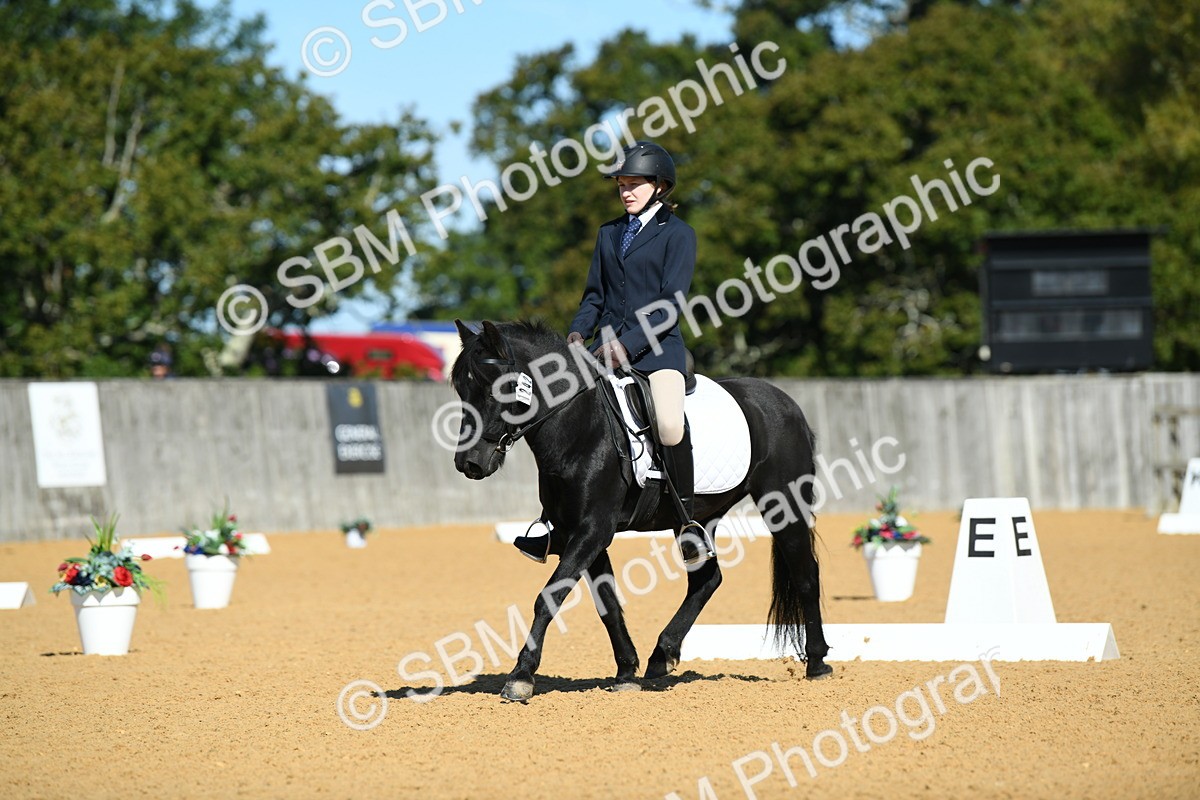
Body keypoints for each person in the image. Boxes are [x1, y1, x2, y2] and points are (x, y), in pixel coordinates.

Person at [567, 140, 712, 565]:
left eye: (634, 184)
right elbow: (594, 296)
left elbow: (670, 304)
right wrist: (578, 334)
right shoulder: (608, 233)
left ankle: (688, 522)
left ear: (660, 186)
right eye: (621, 185)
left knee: (668, 424)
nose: (626, 191)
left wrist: (627, 345)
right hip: (603, 349)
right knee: (564, 416)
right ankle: (557, 518)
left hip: (657, 350)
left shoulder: (679, 235)